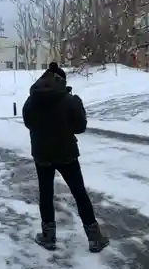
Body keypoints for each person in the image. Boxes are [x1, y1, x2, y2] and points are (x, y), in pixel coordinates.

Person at [22, 62, 109, 253]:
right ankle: (94, 238)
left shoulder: (32, 99)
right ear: (61, 80)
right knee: (79, 193)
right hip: (66, 153)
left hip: (41, 154)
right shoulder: (69, 100)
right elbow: (80, 127)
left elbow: (28, 123)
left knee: (45, 194)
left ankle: (48, 237)